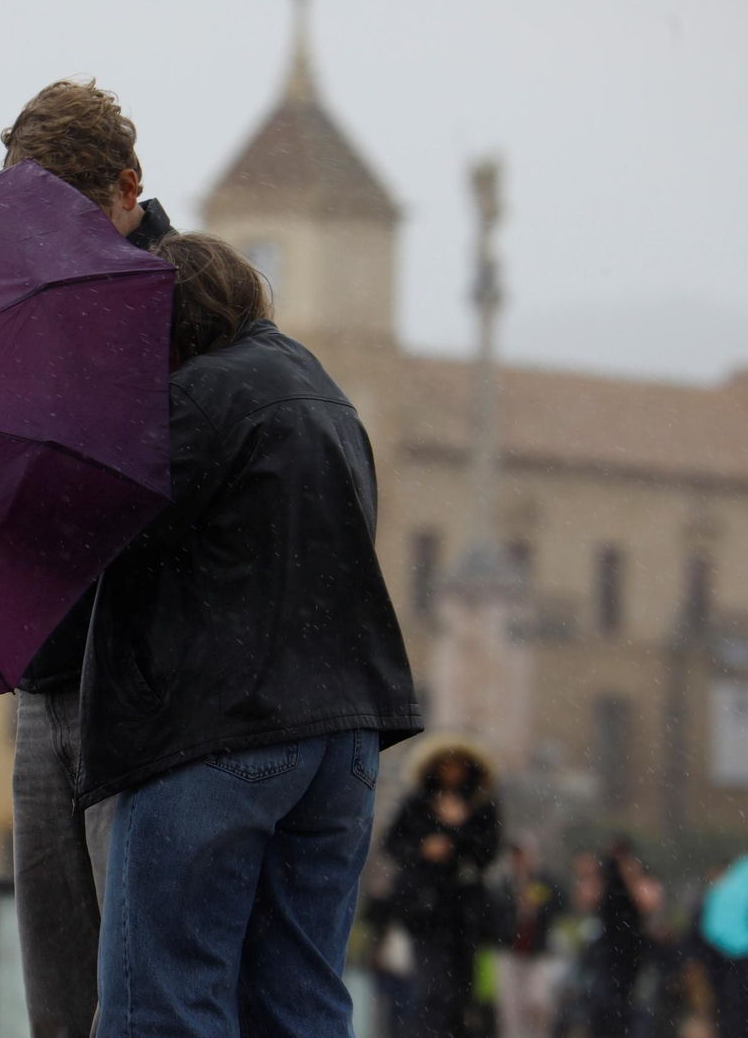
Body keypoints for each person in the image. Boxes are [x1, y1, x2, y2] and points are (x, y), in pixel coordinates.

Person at [77, 231, 422, 1038]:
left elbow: (103, 534)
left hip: (221, 732)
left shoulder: (196, 398)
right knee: (300, 1002)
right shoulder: (327, 395)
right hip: (345, 742)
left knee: (166, 1006)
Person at [0, 77, 173, 1038]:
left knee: (137, 1000)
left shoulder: (188, 301)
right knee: (57, 999)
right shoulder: (21, 307)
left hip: (136, 686)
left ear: (127, 188)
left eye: (66, 216)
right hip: (40, 681)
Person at [382, 738, 502, 1038]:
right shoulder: (417, 804)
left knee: (463, 994)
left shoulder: (482, 807)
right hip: (426, 912)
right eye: (447, 763)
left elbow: (487, 854)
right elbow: (392, 844)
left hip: (466, 913)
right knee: (433, 990)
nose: (452, 771)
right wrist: (423, 848)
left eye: (459, 764)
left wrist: (459, 827)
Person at [492, 838, 566, 1038]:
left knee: (540, 1003)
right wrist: (516, 913)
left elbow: (561, 905)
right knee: (510, 1009)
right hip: (510, 953)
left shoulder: (545, 881)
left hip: (537, 953)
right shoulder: (504, 885)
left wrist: (537, 910)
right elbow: (494, 918)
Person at [588, 837, 659, 1038]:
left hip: (633, 950)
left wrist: (631, 876)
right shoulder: (605, 877)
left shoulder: (639, 874)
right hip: (607, 950)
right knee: (604, 1002)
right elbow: (586, 900)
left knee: (635, 1004)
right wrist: (594, 875)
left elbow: (649, 903)